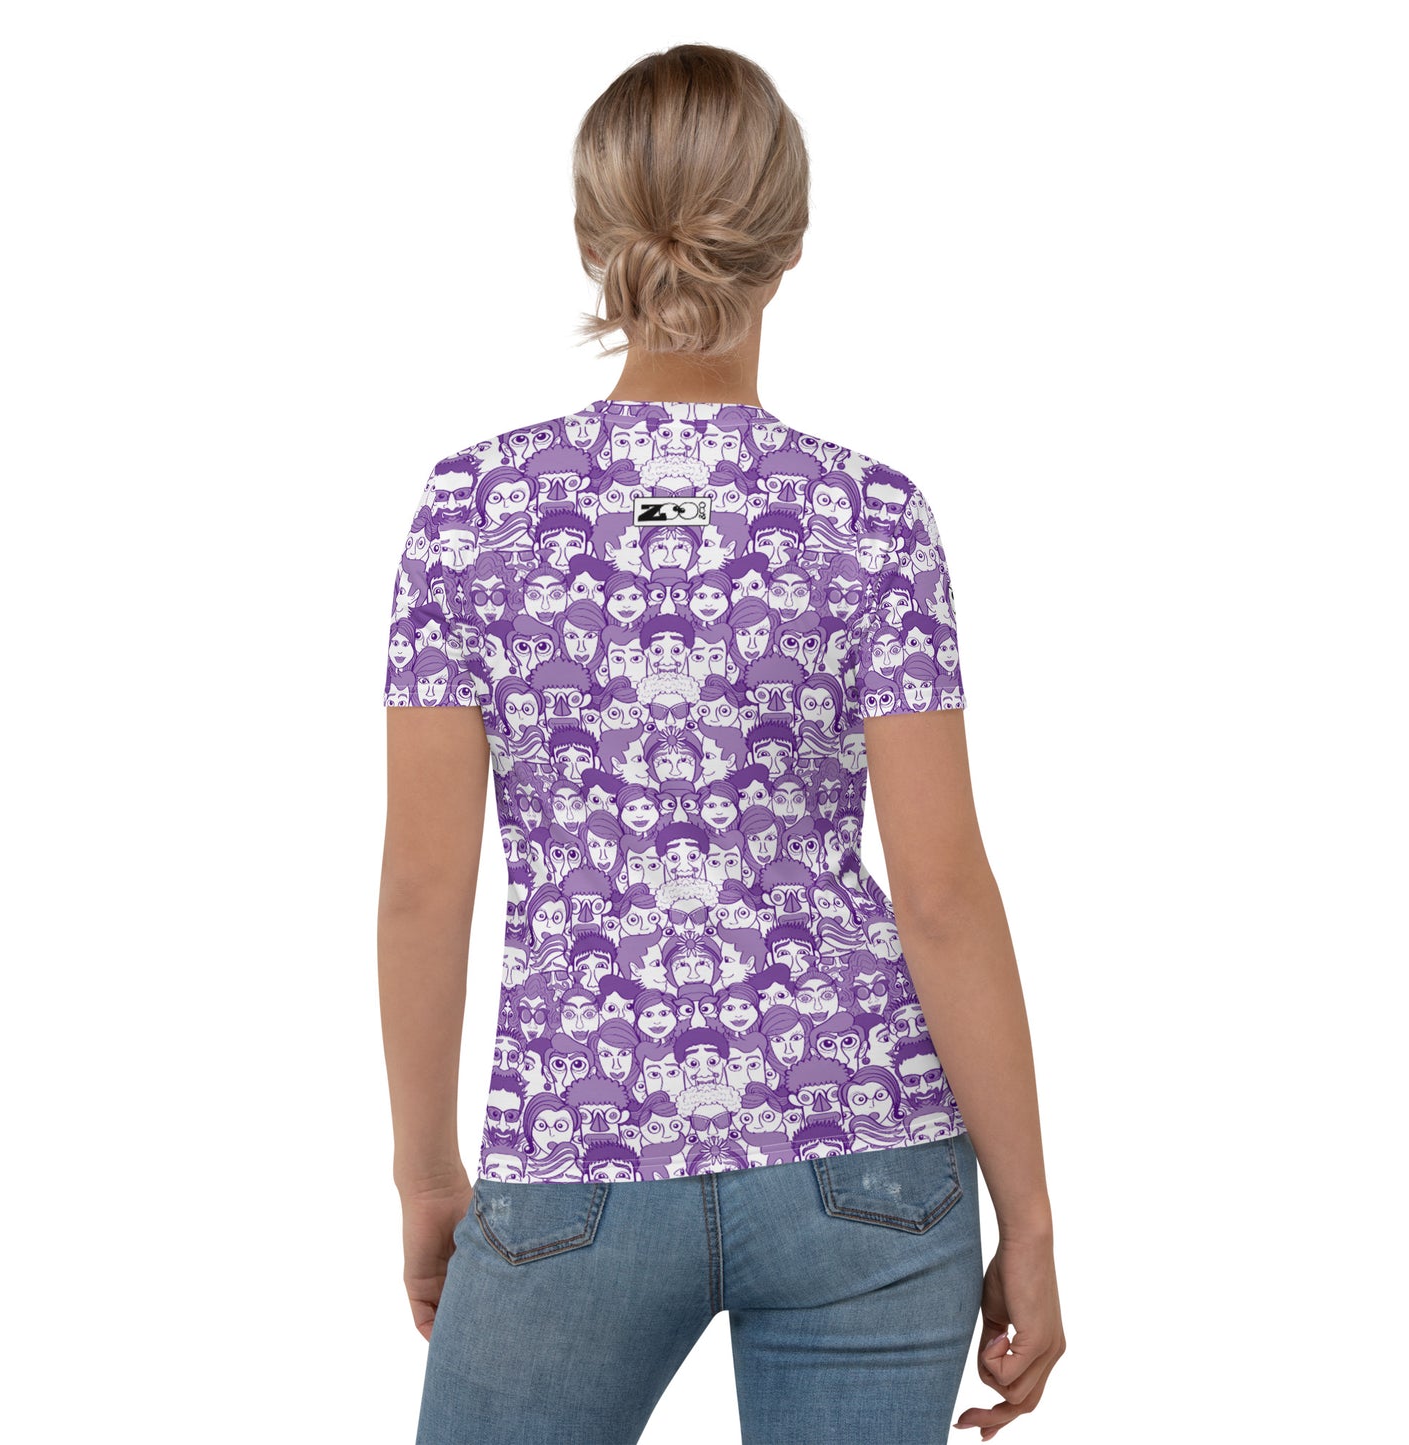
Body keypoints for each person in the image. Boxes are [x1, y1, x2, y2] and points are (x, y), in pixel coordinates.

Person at [377, 42, 1064, 1445]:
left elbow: (423, 890)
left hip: (574, 1149)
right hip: (872, 1166)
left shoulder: (474, 511)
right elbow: (939, 894)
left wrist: (427, 1176)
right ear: (789, 241)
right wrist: (1031, 1215)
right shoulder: (870, 516)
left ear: (594, 239)